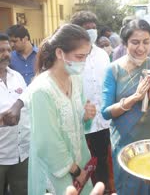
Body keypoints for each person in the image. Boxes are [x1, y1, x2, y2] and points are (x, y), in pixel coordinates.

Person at [101, 19, 150, 194]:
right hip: (125, 144)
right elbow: (106, 113)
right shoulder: (113, 70)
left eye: (146, 42)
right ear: (125, 43)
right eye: (135, 42)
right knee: (128, 187)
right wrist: (134, 98)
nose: (141, 48)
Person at [25, 24, 96, 194]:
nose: (83, 63)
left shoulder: (76, 79)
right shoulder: (41, 90)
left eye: (86, 57)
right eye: (79, 57)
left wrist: (86, 117)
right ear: (59, 53)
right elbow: (47, 142)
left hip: (79, 161)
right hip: (56, 170)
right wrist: (76, 171)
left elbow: (76, 125)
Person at [70, 11, 113, 192]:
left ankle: (102, 189)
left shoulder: (103, 54)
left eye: (94, 28)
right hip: (80, 121)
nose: (92, 31)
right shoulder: (72, 55)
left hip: (102, 121)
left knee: (103, 160)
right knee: (83, 163)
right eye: (87, 28)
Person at [0, 33, 29, 195]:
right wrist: (2, 120)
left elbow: (27, 104)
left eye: (8, 50)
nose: (6, 55)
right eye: (0, 51)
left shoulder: (16, 76)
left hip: (21, 153)